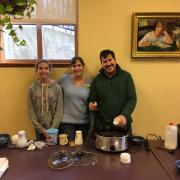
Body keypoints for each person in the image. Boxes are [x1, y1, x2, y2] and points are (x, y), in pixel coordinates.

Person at [89, 50, 137, 134]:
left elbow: (132, 98)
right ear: (101, 63)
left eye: (110, 60)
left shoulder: (126, 76)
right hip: (103, 125)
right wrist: (92, 105)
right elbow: (92, 99)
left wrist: (124, 115)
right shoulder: (96, 80)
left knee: (127, 147)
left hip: (123, 123)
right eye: (104, 61)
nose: (108, 64)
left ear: (115, 60)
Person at [58, 56, 91, 142]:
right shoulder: (64, 79)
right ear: (71, 67)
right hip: (67, 122)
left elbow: (92, 100)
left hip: (84, 122)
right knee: (70, 148)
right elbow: (55, 90)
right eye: (74, 66)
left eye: (79, 65)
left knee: (81, 148)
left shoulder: (90, 82)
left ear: (83, 67)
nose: (77, 68)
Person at [28, 60, 63, 141]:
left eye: (46, 68)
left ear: (50, 70)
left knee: (53, 150)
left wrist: (52, 129)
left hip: (54, 128)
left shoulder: (57, 88)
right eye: (40, 68)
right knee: (41, 151)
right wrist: (40, 128)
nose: (43, 71)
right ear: (37, 70)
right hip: (39, 129)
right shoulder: (32, 88)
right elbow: (31, 110)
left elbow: (59, 110)